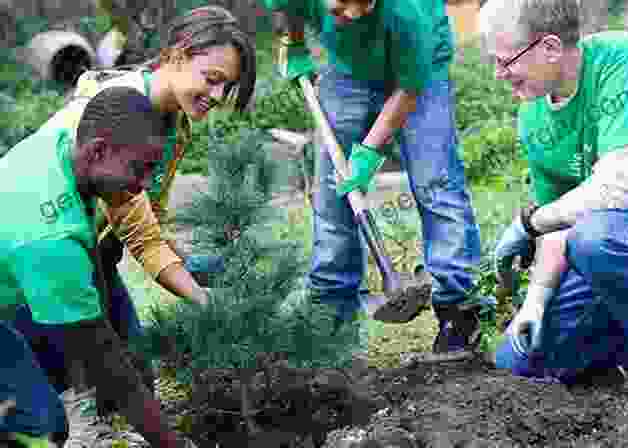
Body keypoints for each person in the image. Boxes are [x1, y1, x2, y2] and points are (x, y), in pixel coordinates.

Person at [7, 3, 256, 443]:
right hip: (46, 260)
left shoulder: (170, 122)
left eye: (227, 88)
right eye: (212, 79)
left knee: (131, 368)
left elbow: (144, 224)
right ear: (178, 53)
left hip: (88, 253)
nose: (217, 96)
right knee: (71, 390)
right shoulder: (108, 116)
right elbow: (138, 235)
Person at [258, 0, 483, 360]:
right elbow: (286, 9)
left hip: (421, 75)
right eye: (341, 3)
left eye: (365, 3)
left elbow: (409, 88)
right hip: (347, 72)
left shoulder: (408, 12)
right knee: (333, 194)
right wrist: (294, 42)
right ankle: (331, 318)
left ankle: (458, 315)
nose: (354, 14)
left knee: (436, 184)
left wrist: (367, 153)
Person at [485, 0, 628, 384]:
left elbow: (619, 185)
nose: (499, 75)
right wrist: (534, 302)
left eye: (506, 62)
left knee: (597, 239)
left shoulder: (622, 61)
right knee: (521, 363)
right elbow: (561, 222)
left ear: (550, 48)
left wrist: (528, 223)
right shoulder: (533, 114)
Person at [0, 87, 199, 448]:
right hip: (26, 274)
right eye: (140, 169)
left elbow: (92, 266)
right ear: (98, 150)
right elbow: (107, 363)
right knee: (40, 428)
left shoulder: (60, 147)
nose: (144, 185)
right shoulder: (50, 238)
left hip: (13, 292)